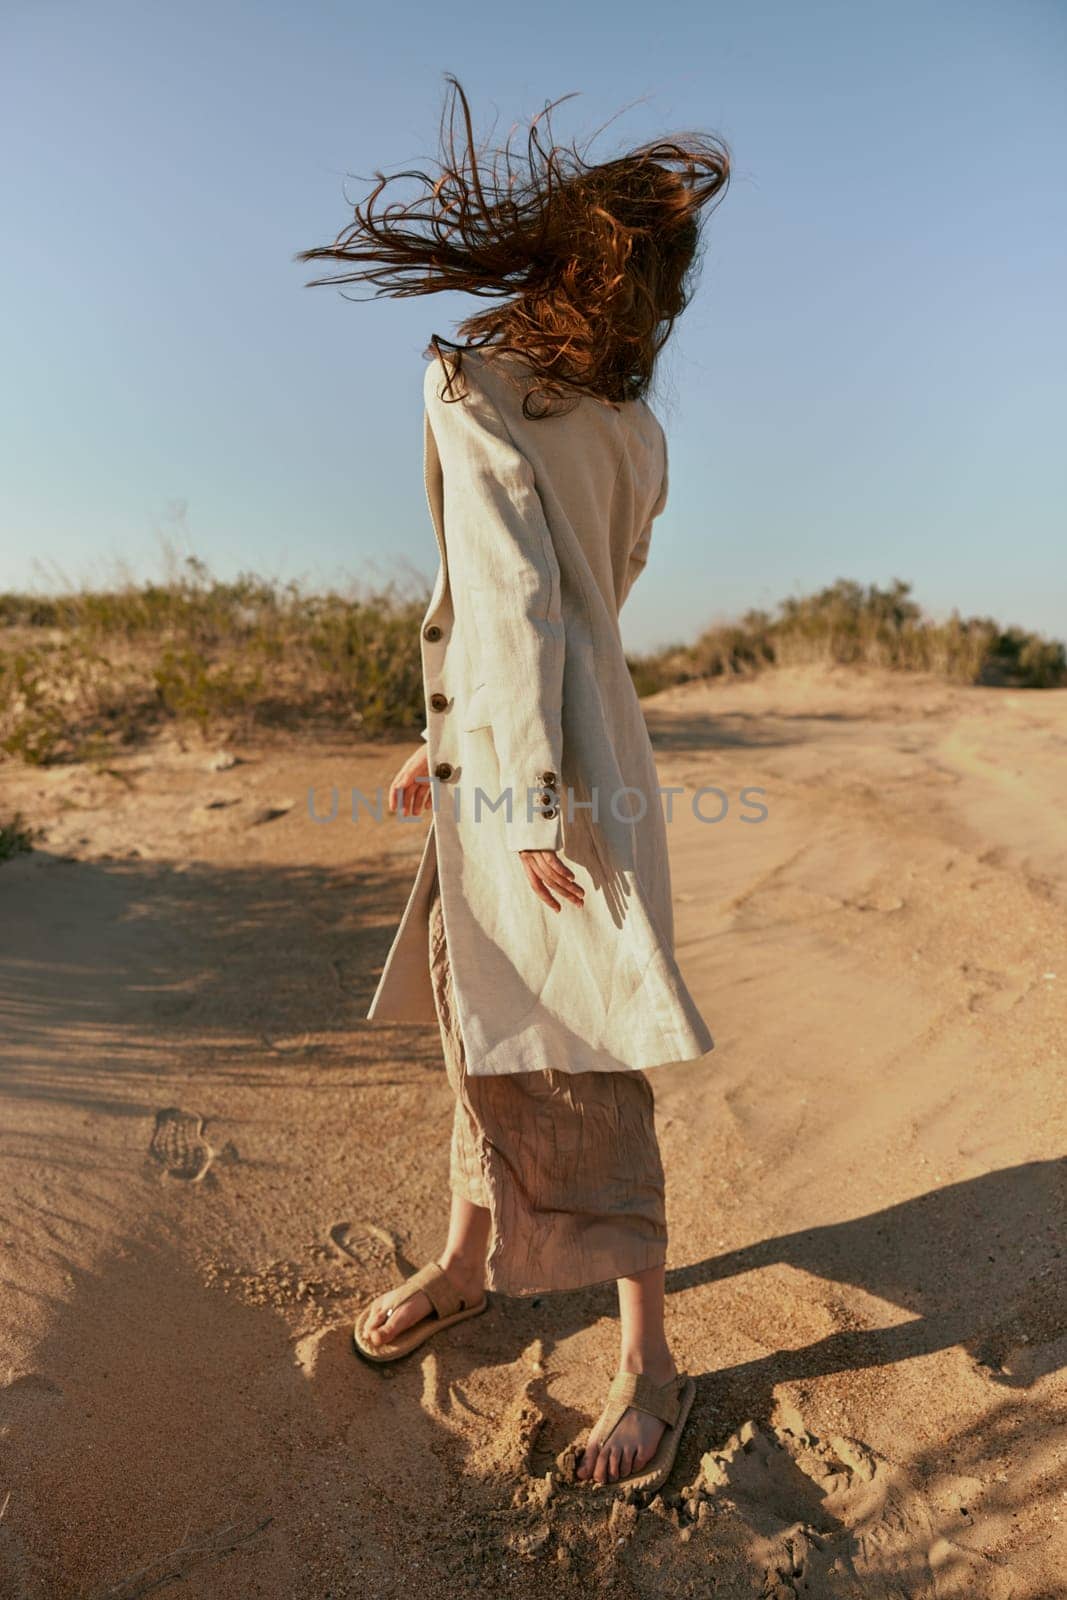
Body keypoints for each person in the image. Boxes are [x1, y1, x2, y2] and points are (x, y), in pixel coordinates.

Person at [296, 74, 729, 1494]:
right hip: (555, 746)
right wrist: (457, 738)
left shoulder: (473, 384)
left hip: (544, 777)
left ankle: (649, 1359)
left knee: (576, 1050)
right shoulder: (638, 431)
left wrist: (529, 791)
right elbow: (566, 600)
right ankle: (471, 1261)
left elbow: (525, 597)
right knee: (495, 1023)